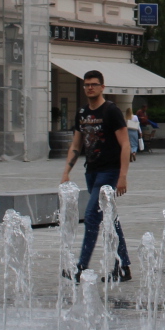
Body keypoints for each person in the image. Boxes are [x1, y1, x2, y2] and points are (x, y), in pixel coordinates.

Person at [61, 70, 131, 280]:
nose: (89, 88)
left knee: (92, 215)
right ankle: (123, 267)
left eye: (93, 84)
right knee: (109, 219)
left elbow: (125, 143)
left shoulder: (111, 111)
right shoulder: (82, 113)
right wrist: (66, 171)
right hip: (91, 171)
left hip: (109, 172)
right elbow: (76, 144)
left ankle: (80, 267)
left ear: (102, 87)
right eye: (86, 85)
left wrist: (123, 176)